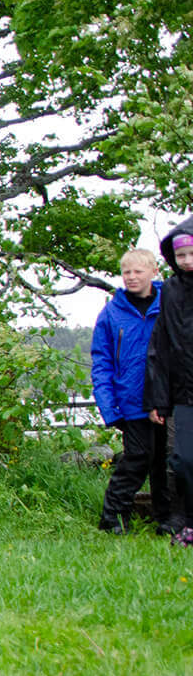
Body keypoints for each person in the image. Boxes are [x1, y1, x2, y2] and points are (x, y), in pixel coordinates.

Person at [92, 248, 166, 534]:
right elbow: (102, 361)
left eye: (138, 271)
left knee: (165, 461)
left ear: (154, 271)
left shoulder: (170, 304)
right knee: (138, 458)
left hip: (167, 398)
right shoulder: (112, 313)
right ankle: (112, 518)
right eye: (126, 272)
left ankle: (166, 519)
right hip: (131, 400)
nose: (132, 277)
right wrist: (109, 407)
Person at [145, 222, 193, 544]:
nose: (187, 260)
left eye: (192, 254)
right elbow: (160, 349)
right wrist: (157, 400)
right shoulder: (171, 292)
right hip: (184, 394)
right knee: (184, 460)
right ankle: (190, 522)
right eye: (181, 255)